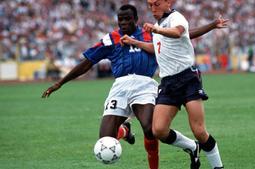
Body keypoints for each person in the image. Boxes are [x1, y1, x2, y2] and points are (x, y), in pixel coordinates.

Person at [42, 3, 227, 169]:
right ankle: (125, 130)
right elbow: (87, 62)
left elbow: (185, 34)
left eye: (127, 19)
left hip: (145, 84)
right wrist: (60, 83)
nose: (123, 23)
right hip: (120, 87)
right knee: (105, 140)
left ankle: (168, 159)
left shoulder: (151, 32)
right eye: (120, 20)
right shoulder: (110, 39)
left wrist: (211, 26)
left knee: (151, 129)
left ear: (136, 20)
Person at [121, 0, 228, 169]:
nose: (153, 8)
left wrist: (156, 29)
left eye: (156, 4)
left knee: (199, 131)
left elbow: (177, 32)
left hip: (187, 79)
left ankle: (218, 167)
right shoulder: (159, 25)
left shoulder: (176, 18)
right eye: (150, 5)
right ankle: (192, 147)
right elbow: (157, 48)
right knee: (159, 130)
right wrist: (135, 43)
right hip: (168, 83)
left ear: (167, 2)